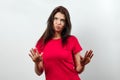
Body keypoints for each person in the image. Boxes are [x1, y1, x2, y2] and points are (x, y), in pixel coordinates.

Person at [29, 6, 93, 80]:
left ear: (66, 23)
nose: (58, 22)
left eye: (62, 20)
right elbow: (39, 72)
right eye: (56, 19)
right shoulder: (42, 42)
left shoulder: (72, 40)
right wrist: (36, 63)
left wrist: (83, 64)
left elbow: (78, 69)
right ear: (51, 20)